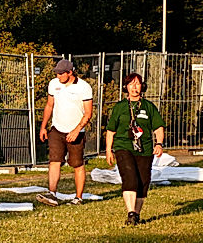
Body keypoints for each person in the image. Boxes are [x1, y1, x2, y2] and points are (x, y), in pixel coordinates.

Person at [105, 73, 166, 226]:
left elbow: (158, 127)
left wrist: (159, 144)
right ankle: (130, 212)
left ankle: (136, 215)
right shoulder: (120, 107)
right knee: (130, 178)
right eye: (131, 84)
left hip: (144, 149)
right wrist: (108, 150)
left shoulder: (148, 106)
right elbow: (111, 131)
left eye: (137, 83)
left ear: (142, 86)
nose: (134, 87)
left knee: (143, 182)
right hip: (123, 147)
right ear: (126, 87)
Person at [37, 59, 94, 206]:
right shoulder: (53, 84)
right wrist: (43, 127)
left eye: (61, 74)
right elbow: (49, 105)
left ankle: (78, 197)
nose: (58, 76)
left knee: (77, 164)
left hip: (76, 131)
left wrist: (76, 130)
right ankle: (52, 193)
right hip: (57, 129)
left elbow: (88, 113)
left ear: (70, 72)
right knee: (54, 161)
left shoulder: (84, 87)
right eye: (57, 73)